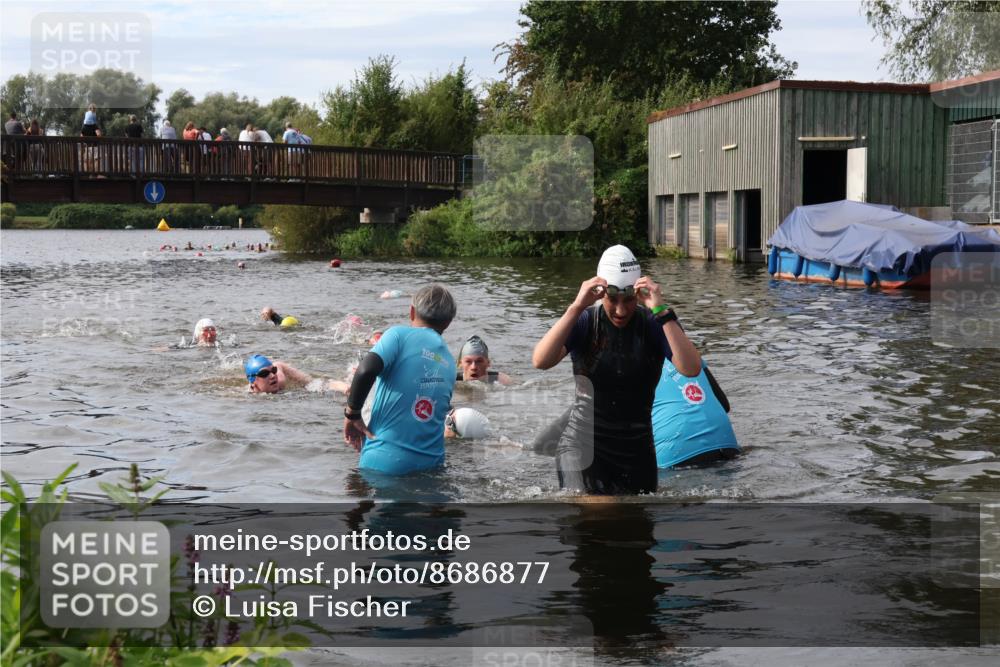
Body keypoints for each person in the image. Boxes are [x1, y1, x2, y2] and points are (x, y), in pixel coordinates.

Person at [531, 245, 702, 495]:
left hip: (637, 450)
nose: (621, 310)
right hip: (583, 445)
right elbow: (540, 360)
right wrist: (577, 306)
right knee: (595, 512)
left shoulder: (655, 324)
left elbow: (691, 369)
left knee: (634, 528)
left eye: (629, 300)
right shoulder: (585, 321)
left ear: (639, 293)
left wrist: (662, 311)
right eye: (613, 300)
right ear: (601, 293)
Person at [343, 284, 457, 475]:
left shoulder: (398, 335)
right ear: (448, 323)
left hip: (383, 462)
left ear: (411, 312)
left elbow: (365, 369)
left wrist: (352, 414)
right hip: (432, 466)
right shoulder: (449, 361)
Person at [244, 354, 313, 394]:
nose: (273, 376)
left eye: (274, 370)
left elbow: (278, 365)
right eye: (265, 373)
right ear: (253, 384)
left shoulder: (280, 381)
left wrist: (310, 383)